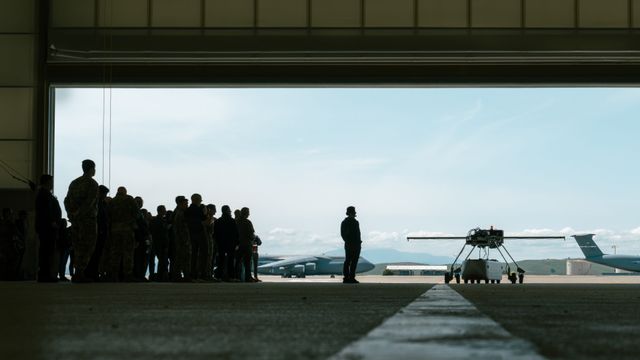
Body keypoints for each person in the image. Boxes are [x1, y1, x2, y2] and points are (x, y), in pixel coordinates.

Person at [64, 159, 99, 283]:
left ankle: (77, 273)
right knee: (88, 246)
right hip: (87, 220)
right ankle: (80, 273)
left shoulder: (74, 183)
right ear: (91, 169)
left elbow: (66, 200)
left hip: (75, 221)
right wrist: (79, 213)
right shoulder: (92, 184)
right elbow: (89, 202)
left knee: (77, 246)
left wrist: (71, 213)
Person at [106, 187, 138, 282]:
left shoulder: (112, 202)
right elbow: (137, 213)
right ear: (125, 192)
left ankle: (114, 275)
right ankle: (127, 275)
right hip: (127, 230)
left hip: (114, 230)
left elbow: (108, 215)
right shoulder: (129, 199)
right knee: (128, 253)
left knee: (115, 253)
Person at [35, 174, 62, 282]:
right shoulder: (44, 194)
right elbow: (45, 211)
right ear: (46, 182)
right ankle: (44, 275)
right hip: (47, 227)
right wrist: (52, 222)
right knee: (46, 251)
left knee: (47, 251)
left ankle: (45, 274)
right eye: (51, 181)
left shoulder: (45, 194)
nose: (52, 183)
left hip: (47, 227)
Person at [86, 185, 109, 281]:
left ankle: (94, 273)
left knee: (97, 254)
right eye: (104, 194)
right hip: (97, 231)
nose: (105, 196)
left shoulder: (101, 203)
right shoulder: (96, 203)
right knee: (94, 254)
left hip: (101, 231)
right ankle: (91, 273)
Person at [186, 194, 208, 281]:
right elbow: (205, 221)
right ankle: (202, 274)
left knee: (193, 255)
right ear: (197, 200)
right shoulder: (200, 209)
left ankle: (193, 274)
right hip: (200, 233)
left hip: (191, 234)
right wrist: (205, 212)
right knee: (204, 254)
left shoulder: (188, 210)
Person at [213, 205, 238, 281]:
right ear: (227, 211)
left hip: (220, 243)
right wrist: (237, 243)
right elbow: (236, 233)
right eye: (229, 210)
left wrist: (217, 243)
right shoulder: (232, 221)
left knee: (220, 261)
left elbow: (215, 234)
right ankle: (231, 276)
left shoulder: (218, 221)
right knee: (230, 261)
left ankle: (219, 276)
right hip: (231, 244)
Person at [340, 206, 362, 284]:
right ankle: (348, 278)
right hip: (351, 244)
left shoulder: (354, 222)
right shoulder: (348, 222)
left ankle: (350, 277)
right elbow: (343, 234)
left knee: (352, 261)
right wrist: (349, 242)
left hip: (354, 244)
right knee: (349, 261)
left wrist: (358, 242)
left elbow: (358, 234)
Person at [172, 196, 191, 281]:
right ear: (180, 204)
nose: (187, 205)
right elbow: (180, 228)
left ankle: (178, 276)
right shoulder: (180, 213)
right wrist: (185, 240)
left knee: (180, 258)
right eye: (186, 203)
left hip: (181, 239)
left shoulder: (178, 212)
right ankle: (182, 276)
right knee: (183, 258)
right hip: (182, 239)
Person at [150, 205, 170, 281]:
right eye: (164, 209)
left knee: (163, 261)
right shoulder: (159, 221)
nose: (165, 211)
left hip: (159, 243)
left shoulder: (156, 220)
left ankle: (161, 276)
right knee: (163, 261)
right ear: (161, 211)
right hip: (160, 243)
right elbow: (161, 233)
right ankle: (162, 276)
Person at [236, 207, 255, 282]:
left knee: (238, 262)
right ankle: (248, 277)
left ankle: (237, 277)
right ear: (246, 213)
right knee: (247, 263)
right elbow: (251, 234)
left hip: (238, 245)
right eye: (248, 212)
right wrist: (253, 239)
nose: (249, 214)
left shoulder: (236, 221)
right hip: (247, 244)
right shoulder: (247, 222)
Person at [205, 204, 217, 281]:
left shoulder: (214, 219)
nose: (215, 211)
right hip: (207, 241)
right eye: (214, 209)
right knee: (207, 258)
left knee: (211, 259)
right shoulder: (207, 219)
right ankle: (207, 274)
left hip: (212, 242)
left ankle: (210, 274)